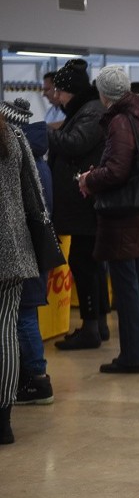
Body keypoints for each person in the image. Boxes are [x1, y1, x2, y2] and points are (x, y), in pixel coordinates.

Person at [77, 65, 139, 374]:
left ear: (104, 93)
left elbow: (116, 170)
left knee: (126, 286)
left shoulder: (119, 121)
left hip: (123, 213)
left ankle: (134, 356)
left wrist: (89, 178)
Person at [48, 61, 111, 350]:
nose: (55, 98)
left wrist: (43, 133)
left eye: (58, 91)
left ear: (70, 91)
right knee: (90, 264)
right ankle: (98, 323)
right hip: (84, 203)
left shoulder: (91, 112)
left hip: (86, 204)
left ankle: (91, 327)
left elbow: (74, 143)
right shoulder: (86, 110)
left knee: (84, 264)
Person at [0, 99, 55, 404]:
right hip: (21, 250)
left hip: (22, 251)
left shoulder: (19, 147)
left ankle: (35, 378)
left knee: (20, 320)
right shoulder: (26, 149)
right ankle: (8, 403)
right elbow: (38, 207)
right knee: (11, 325)